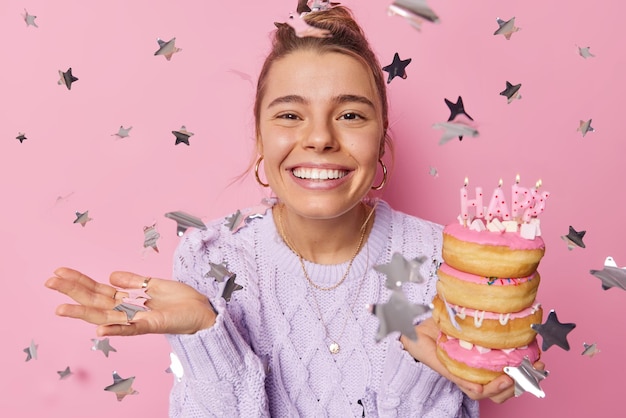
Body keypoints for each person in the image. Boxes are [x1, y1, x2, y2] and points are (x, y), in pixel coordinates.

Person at [46, 6, 531, 417]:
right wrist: (206, 336)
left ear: (382, 137)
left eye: (350, 115)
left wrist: (457, 371)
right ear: (260, 137)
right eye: (289, 115)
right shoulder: (210, 259)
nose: (319, 138)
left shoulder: (451, 262)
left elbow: (506, 376)